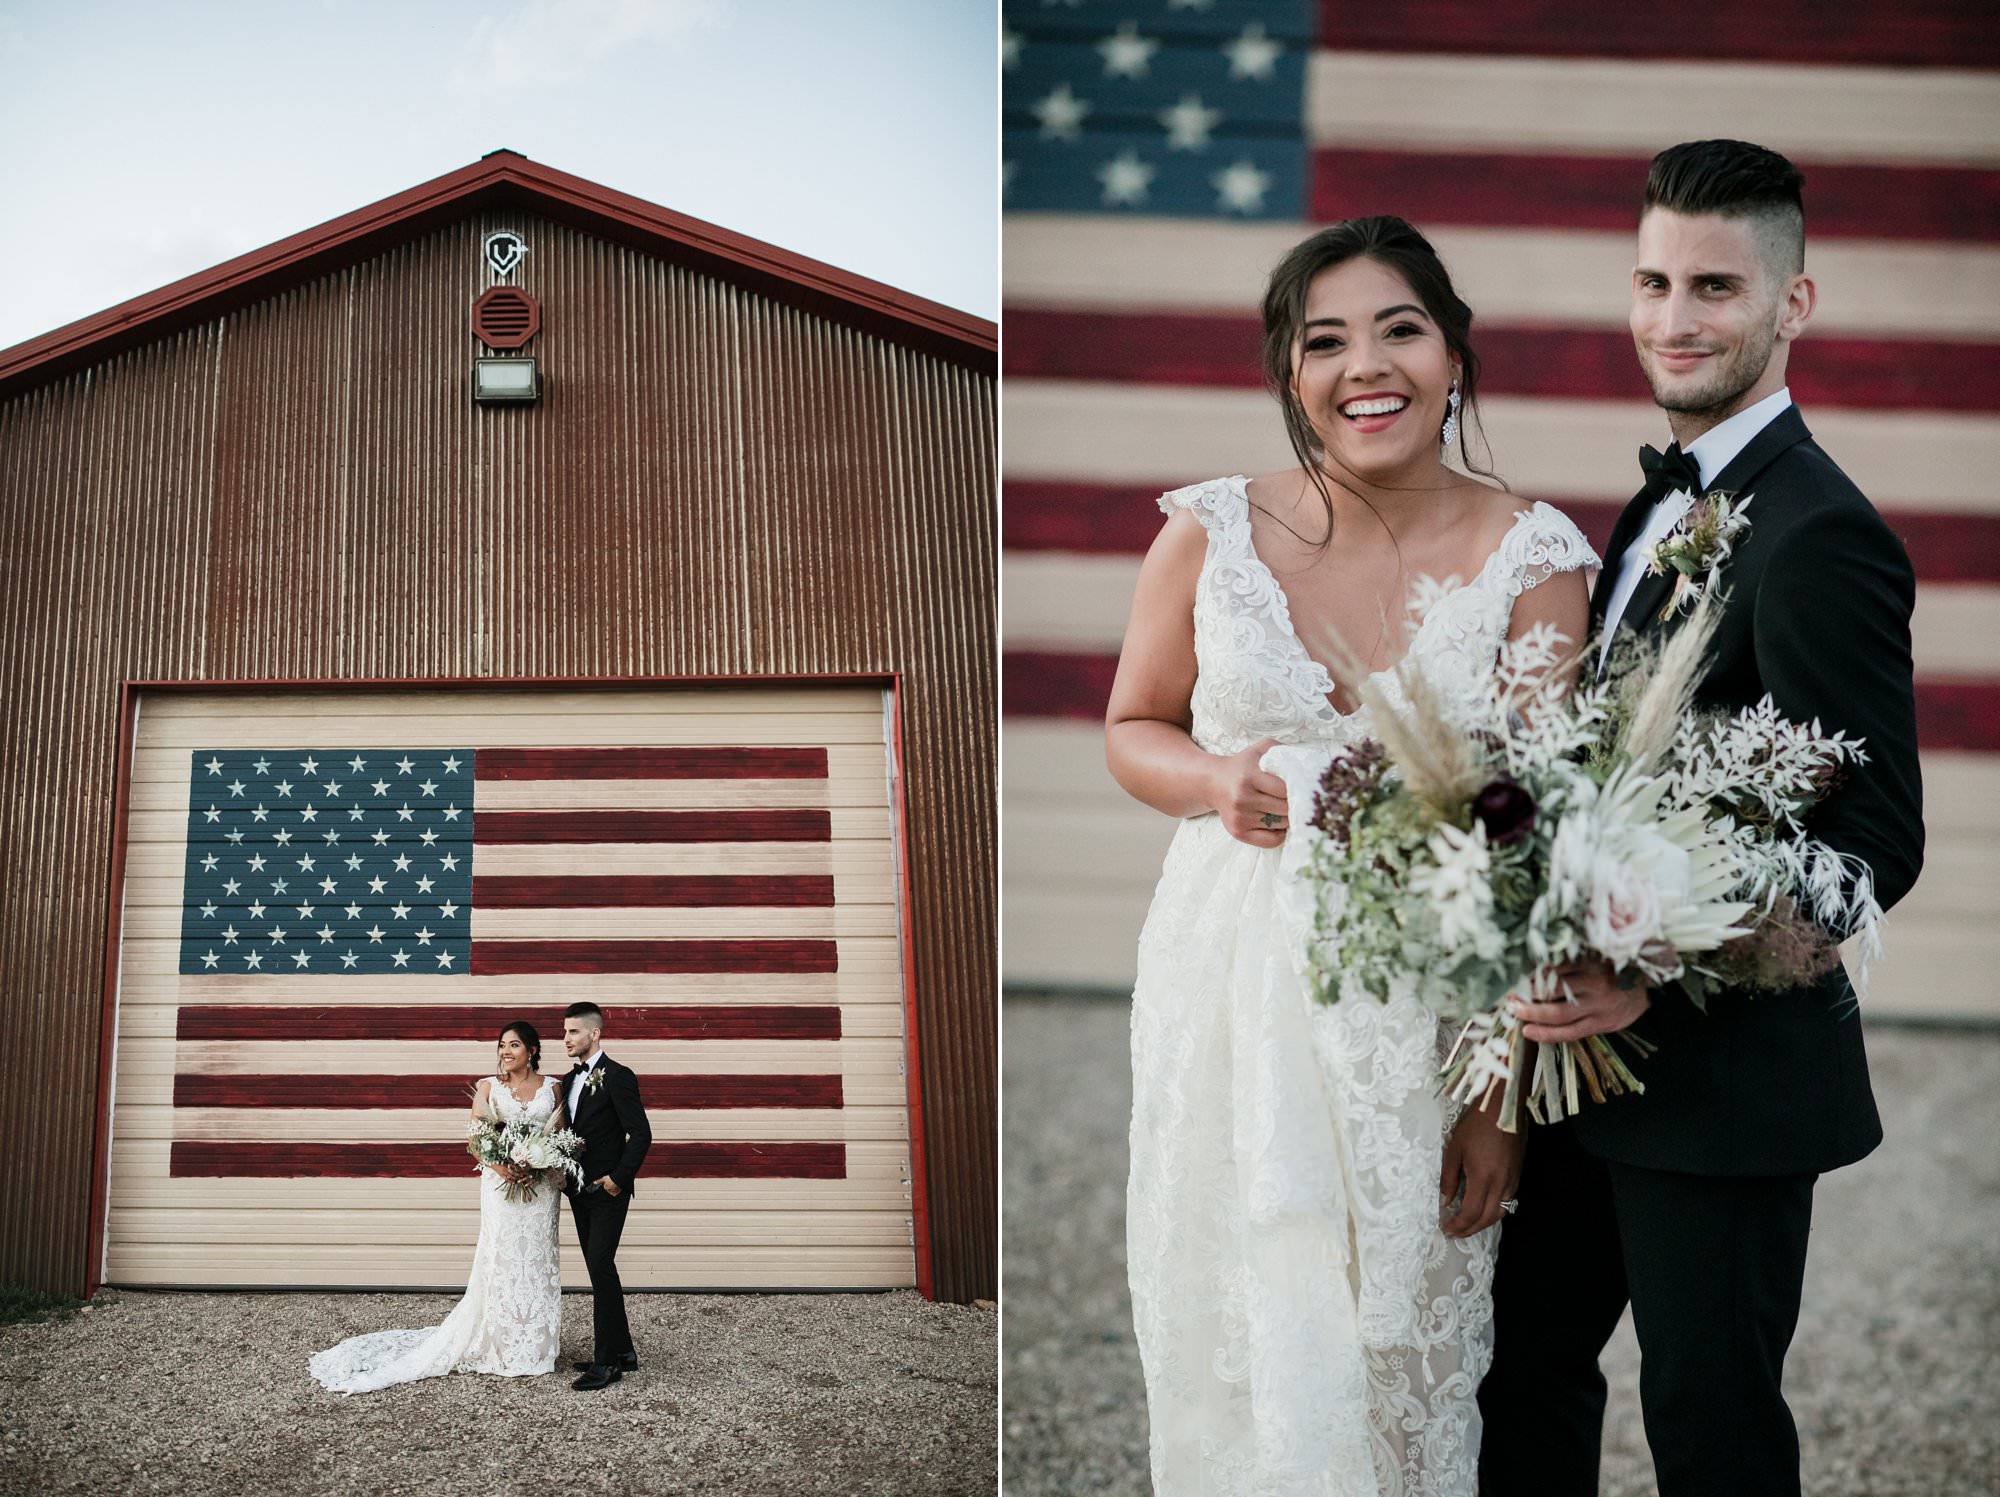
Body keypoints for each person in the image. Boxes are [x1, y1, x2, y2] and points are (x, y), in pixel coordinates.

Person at [1107, 215, 1597, 1494]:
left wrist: (1501, 1102)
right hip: (1230, 990)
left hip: (1423, 1010)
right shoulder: (1207, 535)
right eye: (1323, 341)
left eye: (1398, 329)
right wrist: (1215, 777)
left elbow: (1533, 839)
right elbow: (1130, 727)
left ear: (1451, 355)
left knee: (1402, 1340)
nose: (1362, 365)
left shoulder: (1535, 558)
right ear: (1287, 375)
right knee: (1239, 1317)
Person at [1477, 140, 1926, 1497]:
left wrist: (1647, 960)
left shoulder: (1818, 535)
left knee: (1710, 1420)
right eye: (1655, 281)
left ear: (1792, 305)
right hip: (1580, 1079)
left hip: (1724, 1089)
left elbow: (1872, 850)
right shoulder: (1660, 504)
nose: (1675, 320)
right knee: (1528, 1371)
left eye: (1717, 287)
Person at [308, 1021, 566, 1394]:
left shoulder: (552, 1087)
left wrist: (538, 1163)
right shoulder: (488, 1087)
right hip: (500, 1186)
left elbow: (559, 1136)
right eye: (500, 1046)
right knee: (503, 1258)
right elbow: (476, 1139)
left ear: (533, 1050)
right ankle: (498, 1342)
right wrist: (503, 1167)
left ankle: (537, 1347)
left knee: (538, 1259)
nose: (505, 1052)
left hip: (540, 1191)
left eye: (513, 1045)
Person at [559, 1001, 652, 1390]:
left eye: (573, 1032)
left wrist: (617, 1178)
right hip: (579, 1191)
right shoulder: (568, 1080)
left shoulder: (618, 1076)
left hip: (608, 1190)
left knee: (600, 1266)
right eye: (564, 1032)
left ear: (594, 1033)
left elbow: (641, 1133)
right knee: (601, 1270)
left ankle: (605, 1363)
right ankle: (624, 1351)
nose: (566, 1039)